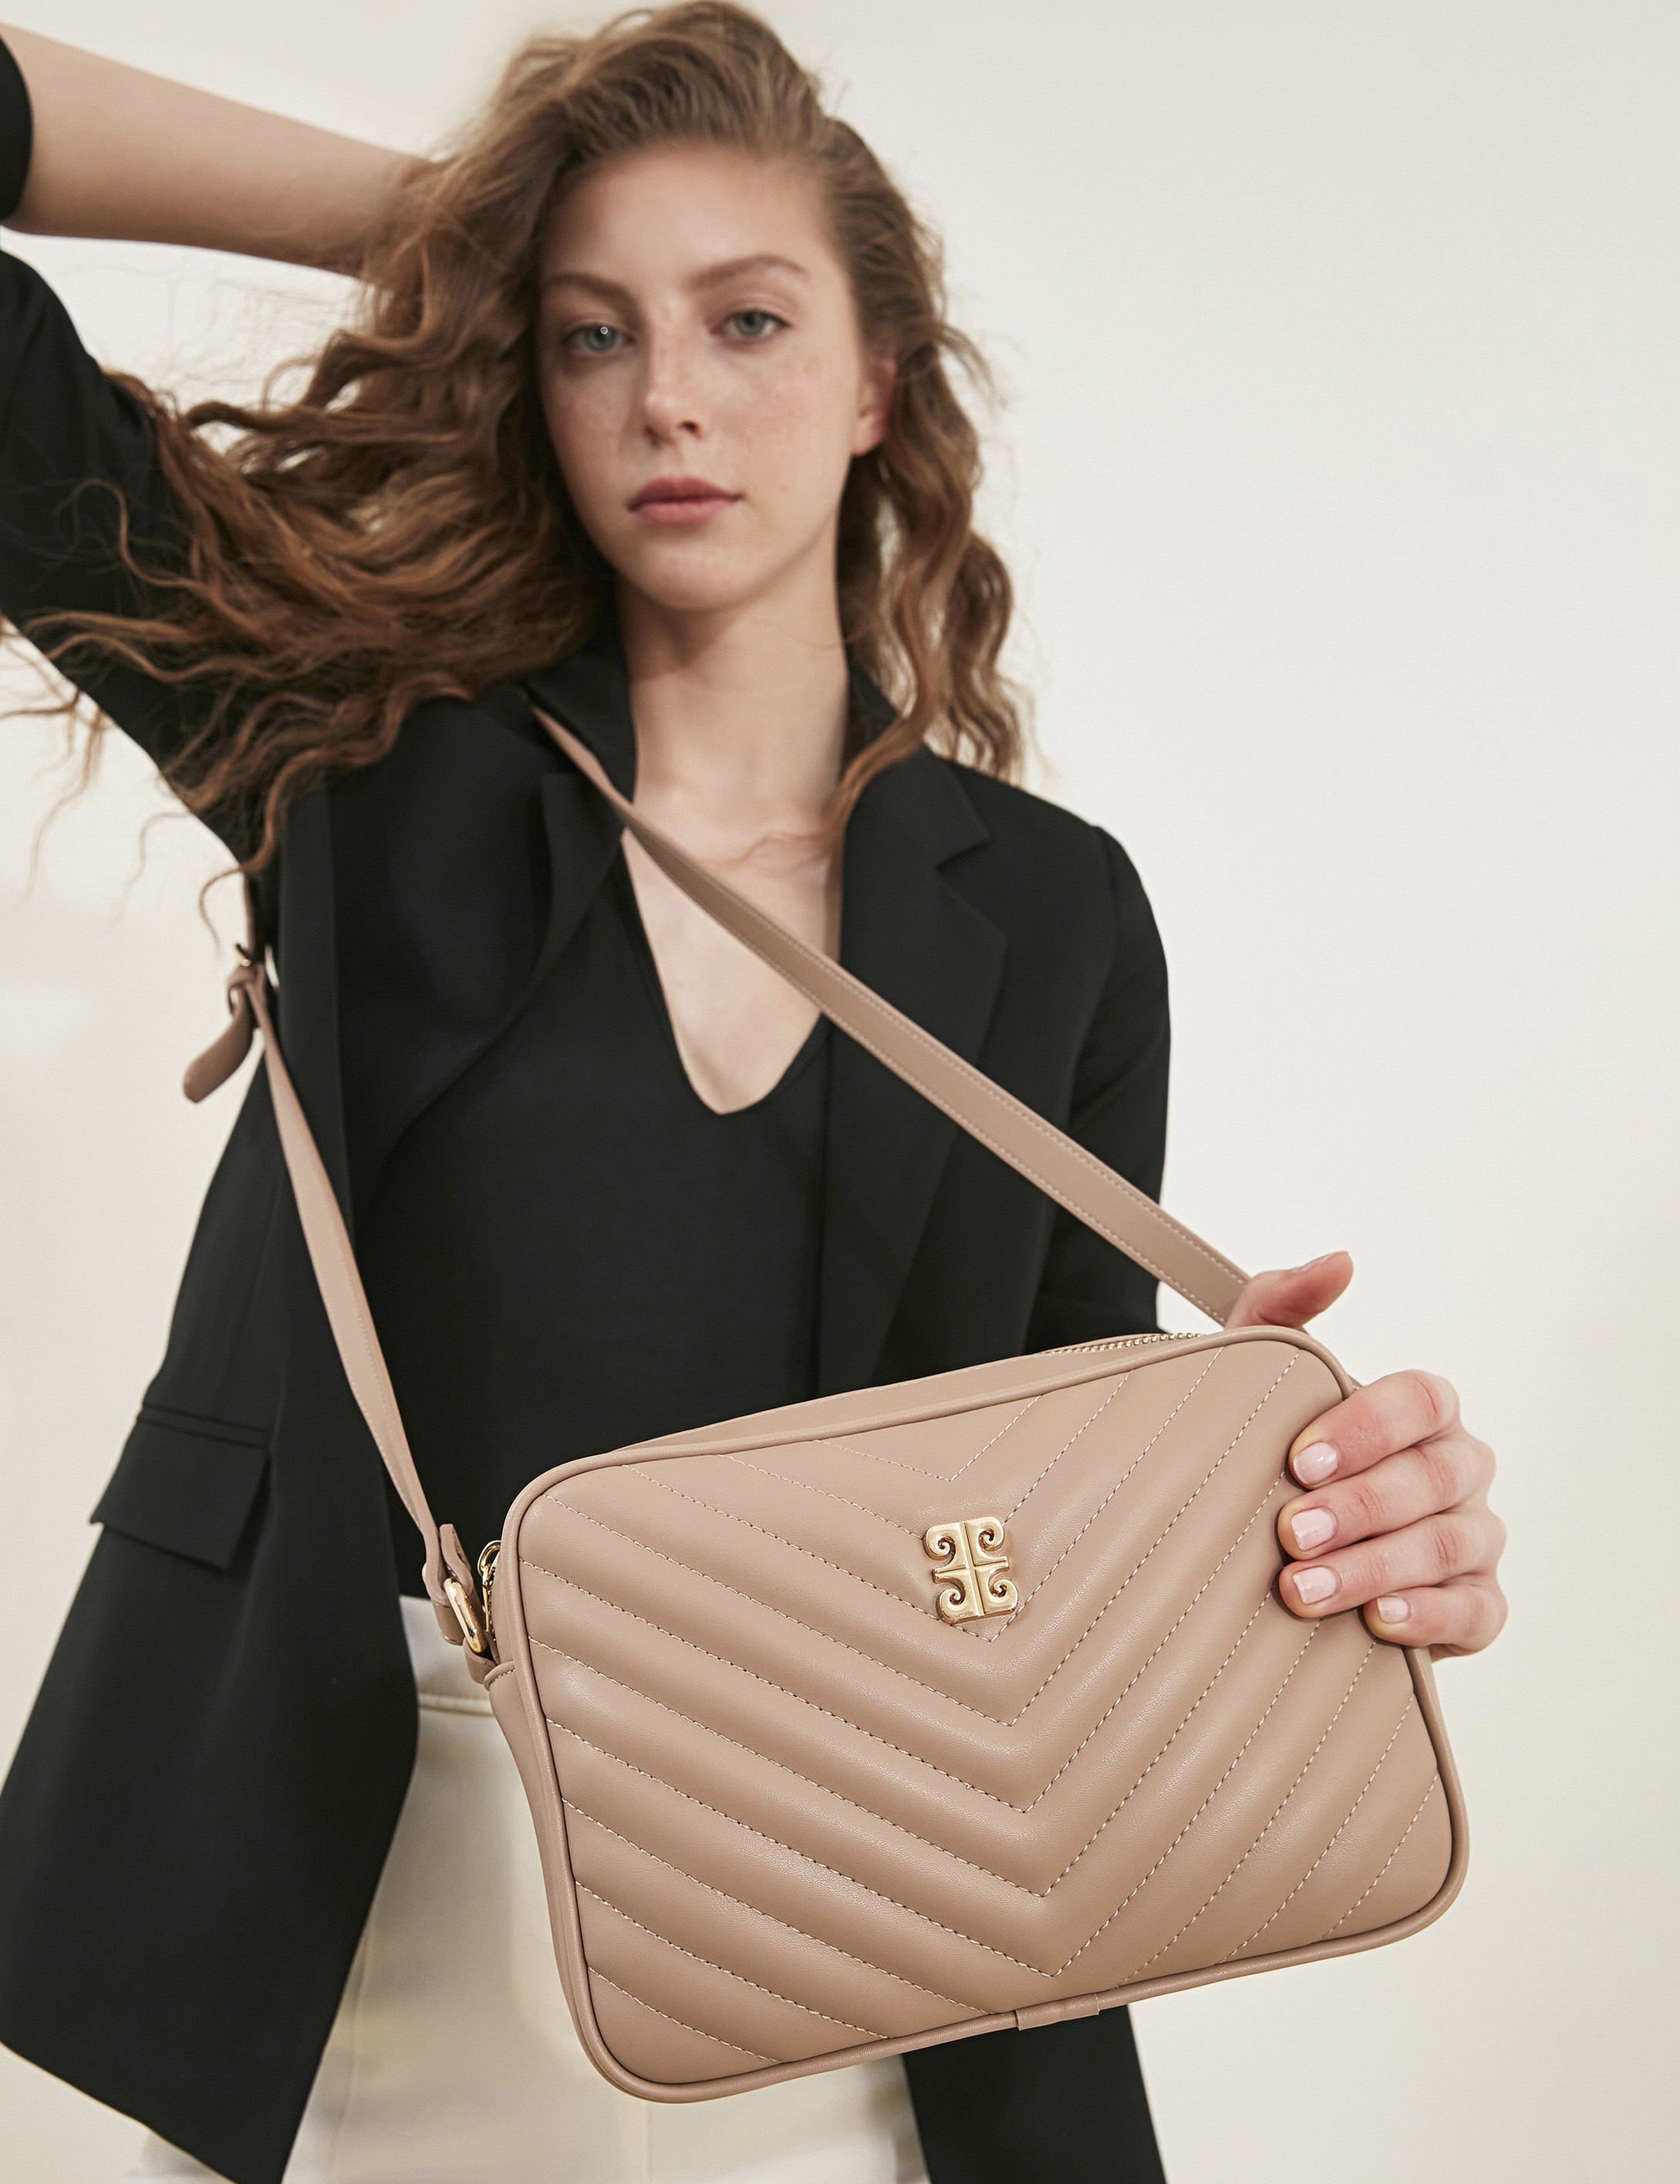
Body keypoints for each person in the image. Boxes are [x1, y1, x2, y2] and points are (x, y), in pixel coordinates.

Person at [0, 8, 1508, 2182]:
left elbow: (1044, 1532)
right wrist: (447, 228)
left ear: (881, 376)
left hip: (887, 1988)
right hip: (366, 1971)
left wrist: (1312, 1525)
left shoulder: (1053, 913)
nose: (671, 398)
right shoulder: (354, 762)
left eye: (749, 319)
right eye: (593, 333)